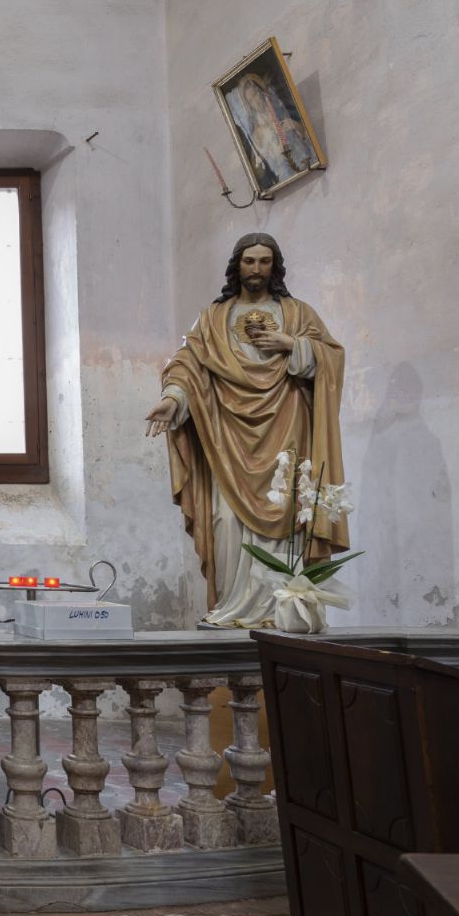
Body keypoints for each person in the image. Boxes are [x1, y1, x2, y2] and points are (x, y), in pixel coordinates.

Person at [145, 233, 348, 626]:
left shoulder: (299, 314)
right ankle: (233, 607)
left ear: (275, 266)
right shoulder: (212, 318)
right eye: (250, 261)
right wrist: (173, 399)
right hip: (227, 440)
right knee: (224, 522)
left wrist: (292, 344)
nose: (257, 269)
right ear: (237, 265)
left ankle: (280, 612)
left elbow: (331, 359)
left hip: (287, 429)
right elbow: (187, 364)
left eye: (265, 261)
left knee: (286, 515)